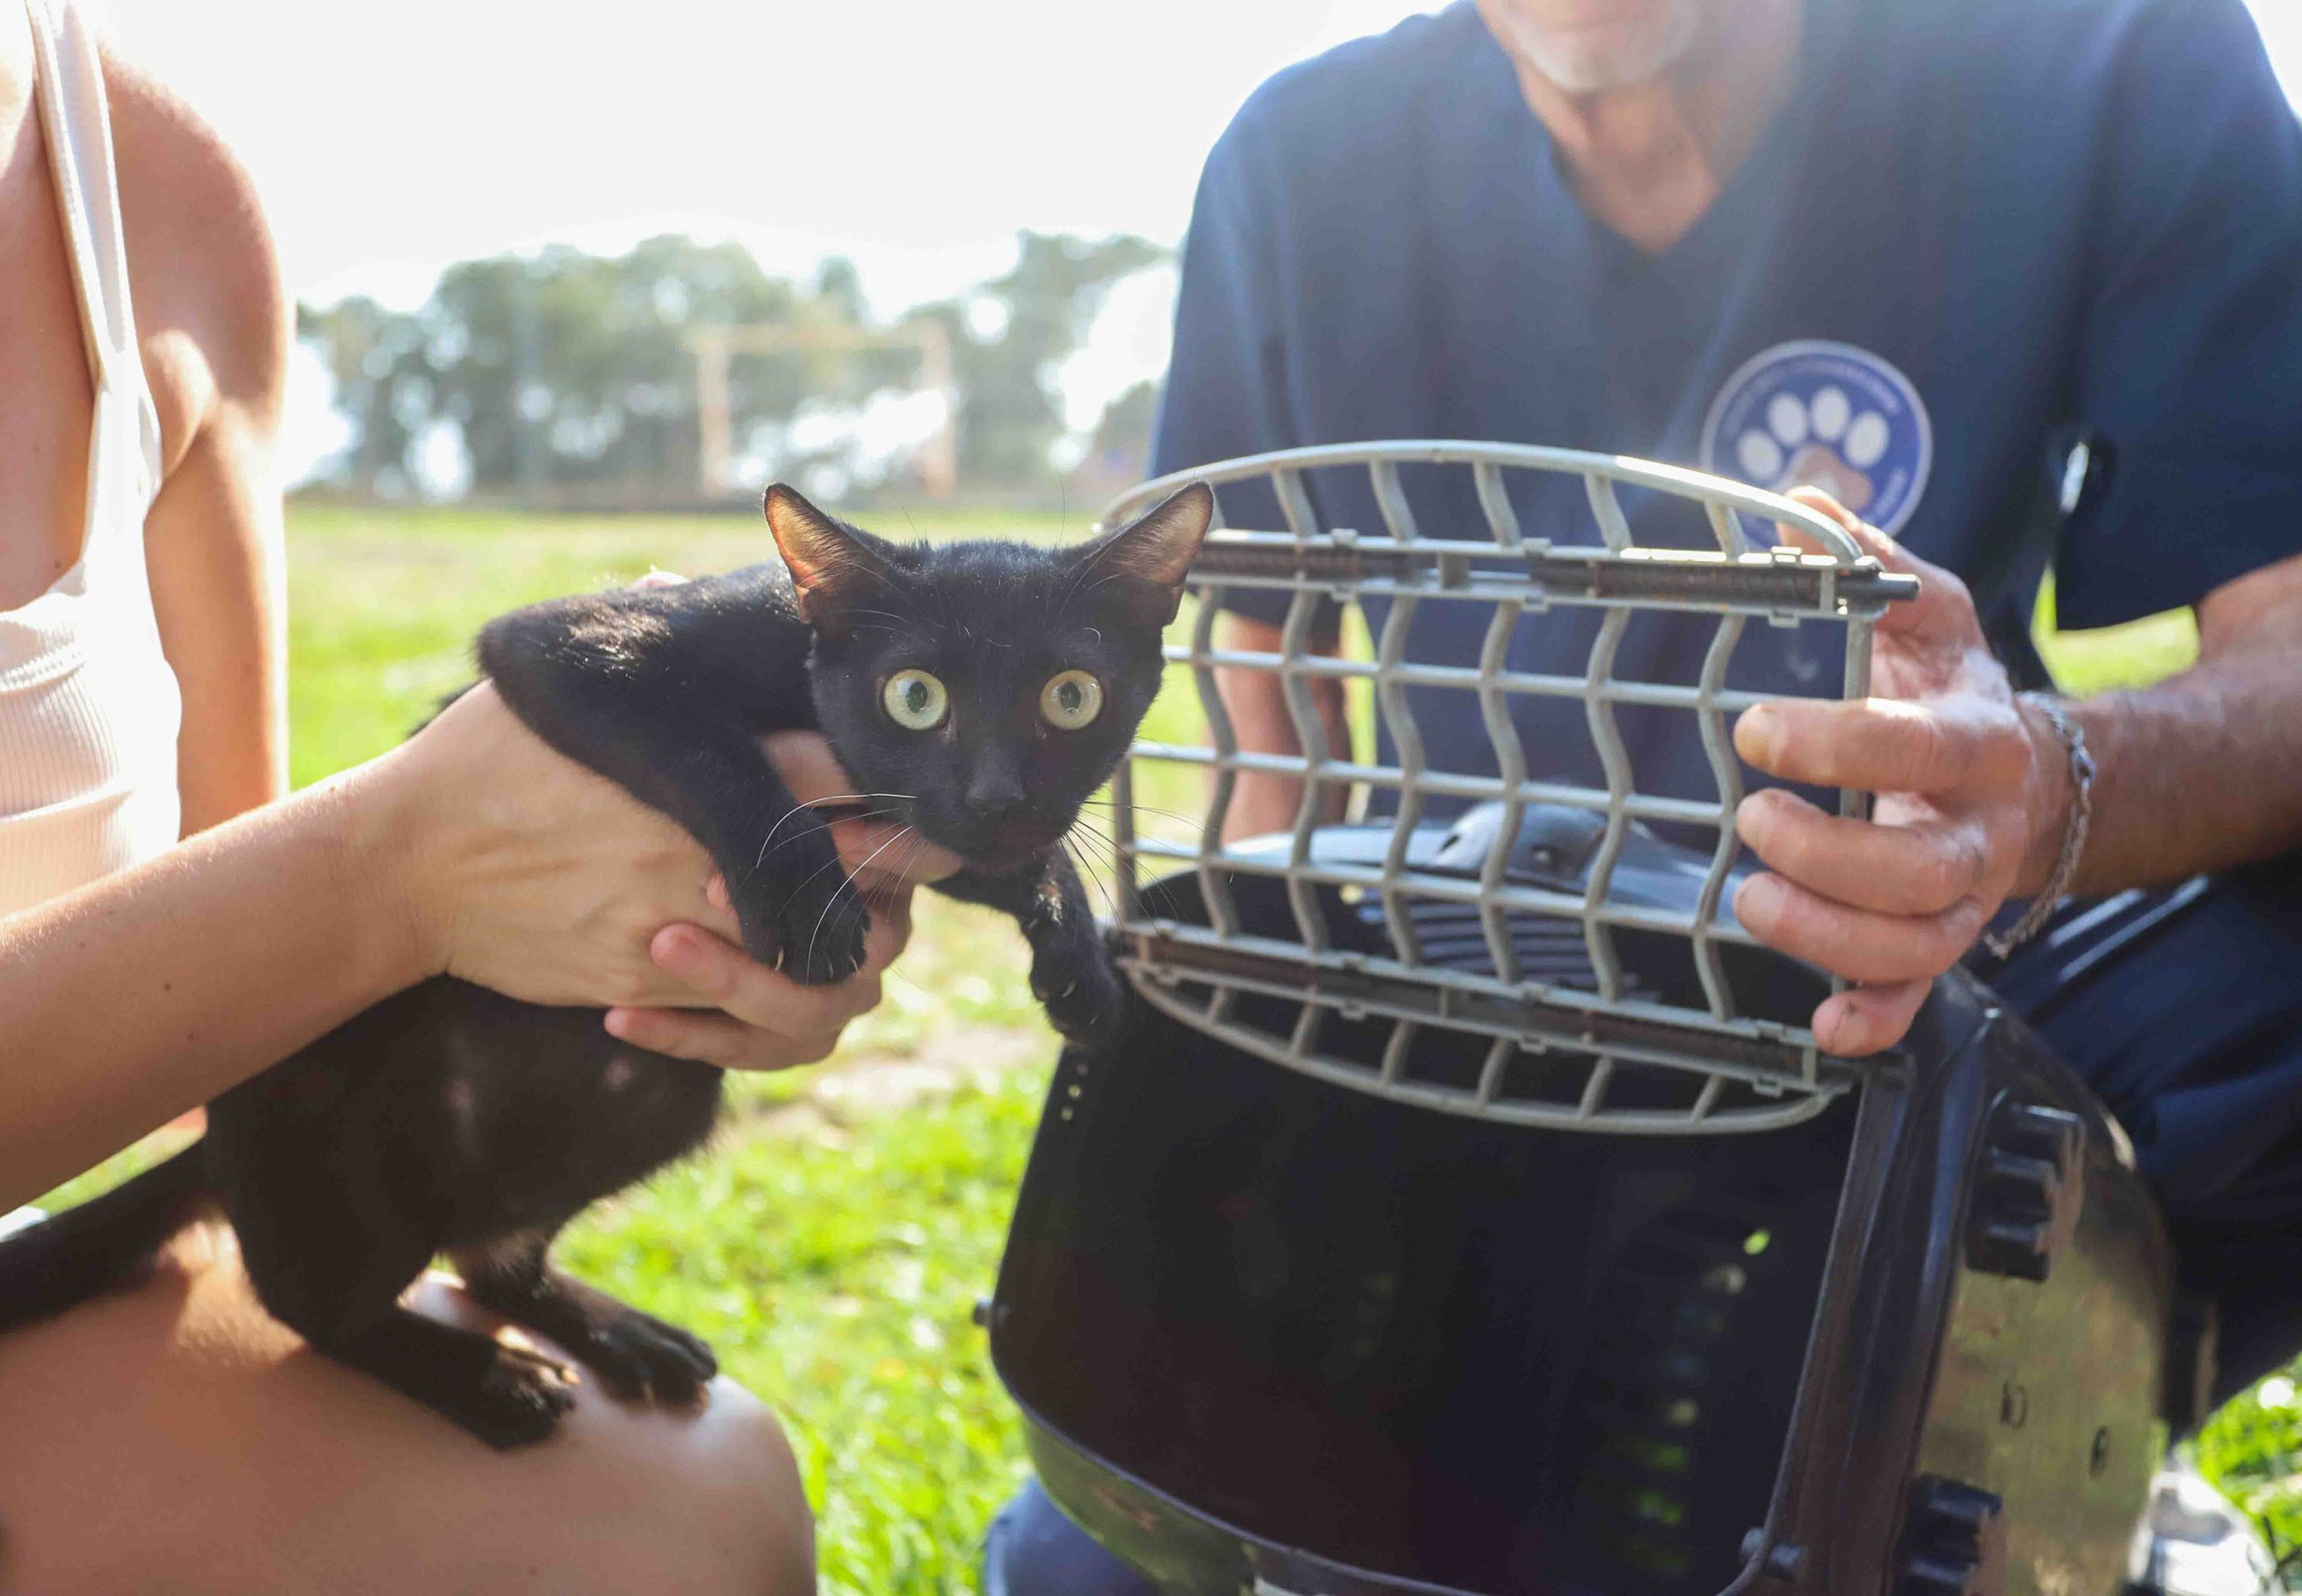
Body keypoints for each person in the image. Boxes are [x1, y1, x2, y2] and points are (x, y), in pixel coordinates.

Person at [984, 0, 2302, 1588]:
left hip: (1924, 957)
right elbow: (1261, 677)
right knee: (1090, 1566)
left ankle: (2076, 1429)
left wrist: (2043, 788)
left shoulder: (2109, 56)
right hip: (1478, 965)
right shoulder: (1305, 154)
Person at [0, 0, 945, 1588]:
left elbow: (229, 1014)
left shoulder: (148, 181)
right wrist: (390, 864)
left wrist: (635, 935)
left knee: (697, 1507)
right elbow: (320, 896)